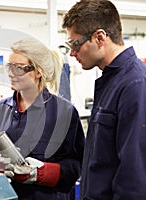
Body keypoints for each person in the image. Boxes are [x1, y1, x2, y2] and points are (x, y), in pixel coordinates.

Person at [0, 37, 85, 200]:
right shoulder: (0, 110)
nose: (11, 74)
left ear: (38, 71)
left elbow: (76, 165)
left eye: (19, 68)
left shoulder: (64, 112)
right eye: (9, 67)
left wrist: (41, 172)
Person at [62, 0, 146, 199]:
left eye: (75, 44)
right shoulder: (109, 81)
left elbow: (135, 174)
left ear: (100, 37)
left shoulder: (135, 84)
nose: (72, 53)